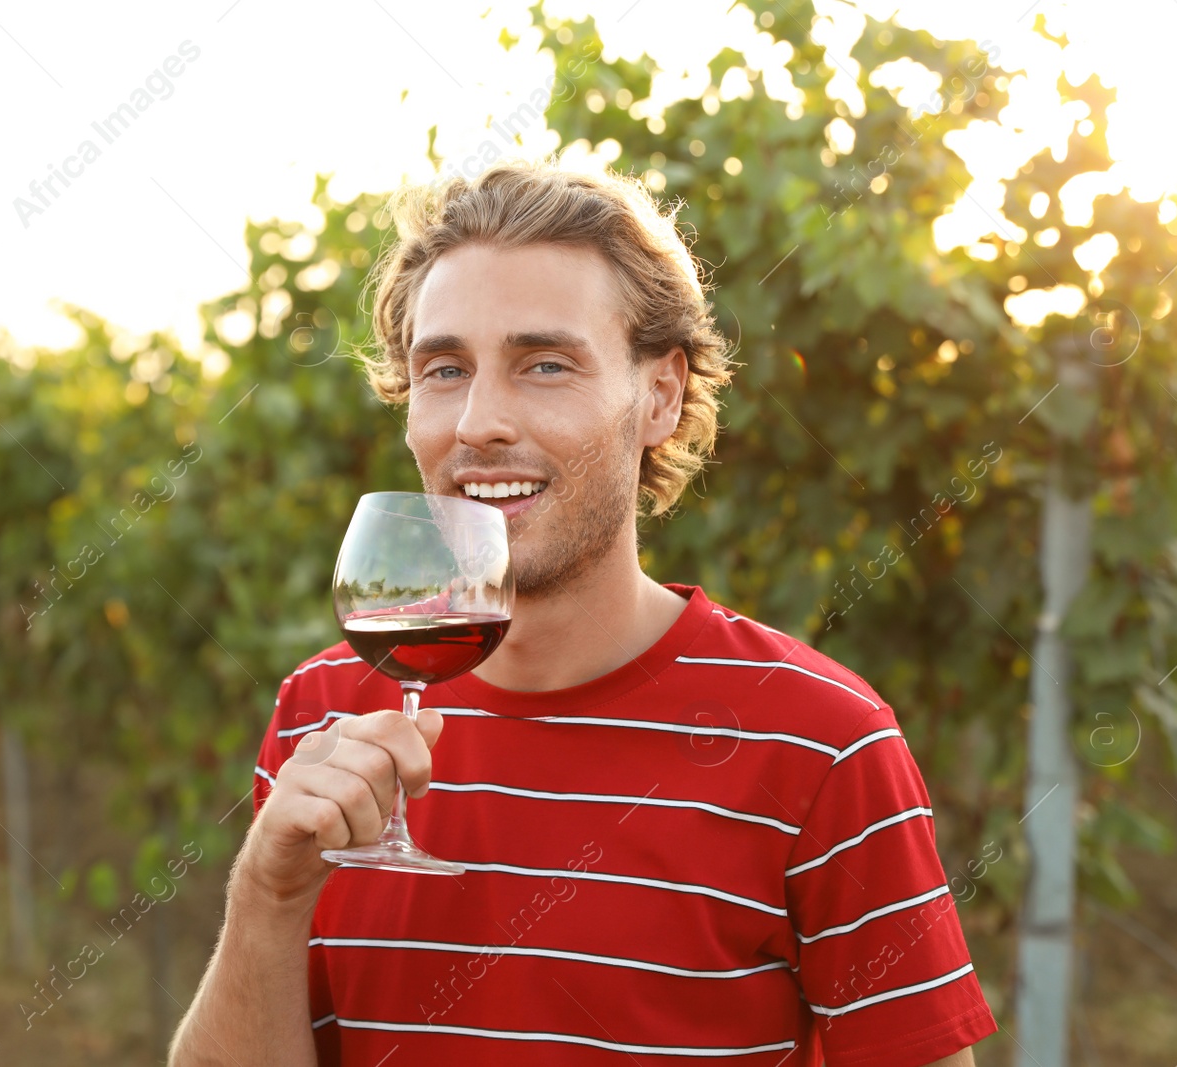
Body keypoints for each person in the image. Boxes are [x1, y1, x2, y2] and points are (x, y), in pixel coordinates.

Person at [169, 158, 997, 1066]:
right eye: (444, 369)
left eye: (546, 363)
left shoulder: (821, 744)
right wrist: (268, 896)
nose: (478, 420)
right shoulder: (323, 712)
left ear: (660, 396)